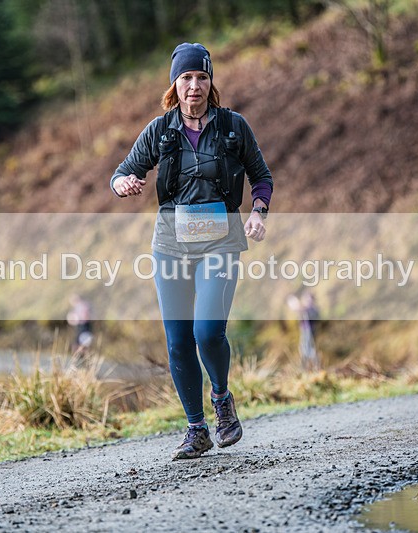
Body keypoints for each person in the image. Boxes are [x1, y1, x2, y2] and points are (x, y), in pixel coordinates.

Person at [110, 43, 273, 460]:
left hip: (220, 243)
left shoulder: (234, 127)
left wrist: (257, 213)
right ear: (174, 84)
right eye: (186, 78)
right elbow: (122, 171)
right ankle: (196, 429)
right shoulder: (160, 131)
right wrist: (123, 184)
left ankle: (222, 400)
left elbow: (261, 177)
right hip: (170, 246)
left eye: (201, 77)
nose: (194, 86)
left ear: (210, 82)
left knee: (207, 332)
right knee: (179, 341)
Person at [287, 291, 321, 372]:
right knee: (304, 349)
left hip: (309, 331)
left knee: (308, 349)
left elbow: (313, 315)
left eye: (307, 299)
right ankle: (305, 368)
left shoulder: (312, 309)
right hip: (305, 331)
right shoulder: (307, 309)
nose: (306, 300)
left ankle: (315, 366)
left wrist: (300, 308)